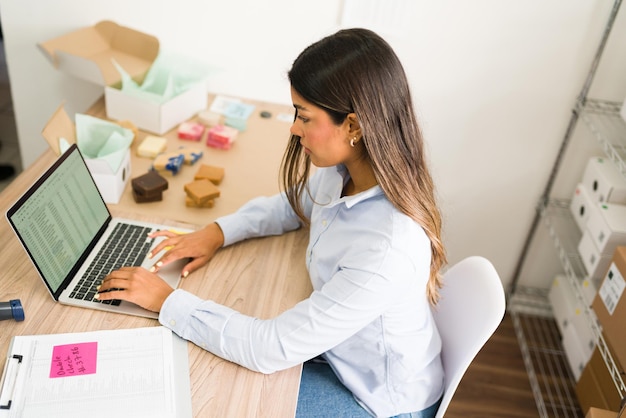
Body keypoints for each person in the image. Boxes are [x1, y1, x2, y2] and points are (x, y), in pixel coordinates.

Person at [97, 28, 447, 418]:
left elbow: (268, 348)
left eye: (304, 115)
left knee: (213, 396)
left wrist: (166, 300)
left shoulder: (387, 248)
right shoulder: (349, 171)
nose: (293, 127)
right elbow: (291, 205)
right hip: (338, 352)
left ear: (353, 126)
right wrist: (217, 232)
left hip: (375, 399)